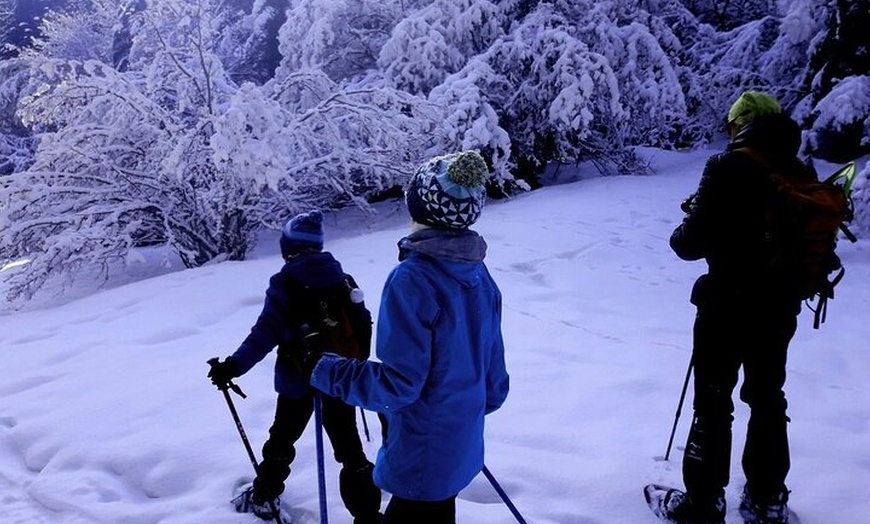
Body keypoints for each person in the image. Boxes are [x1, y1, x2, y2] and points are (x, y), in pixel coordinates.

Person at [304, 150, 510, 524]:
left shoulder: (412, 280)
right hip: (458, 452)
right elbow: (494, 390)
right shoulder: (479, 276)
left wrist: (326, 369)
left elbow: (399, 386)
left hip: (420, 458)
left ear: (420, 209)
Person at [644, 91, 815, 524]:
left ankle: (702, 505)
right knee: (768, 397)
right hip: (780, 307)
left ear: (739, 125)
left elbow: (688, 244)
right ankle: (767, 499)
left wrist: (691, 221)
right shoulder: (798, 169)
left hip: (726, 307)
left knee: (714, 401)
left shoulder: (726, 166)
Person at [208, 209, 382, 524]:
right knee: (350, 449)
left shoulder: (285, 282)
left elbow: (265, 334)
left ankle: (264, 498)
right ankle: (368, 514)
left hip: (298, 380)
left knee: (282, 441)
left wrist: (232, 367)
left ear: (287, 247)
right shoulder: (342, 278)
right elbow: (360, 325)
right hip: (342, 378)